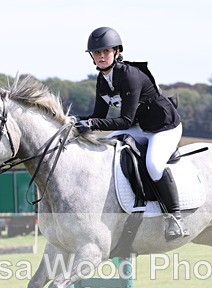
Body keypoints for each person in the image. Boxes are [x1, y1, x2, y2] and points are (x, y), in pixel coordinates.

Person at [75, 26, 188, 241]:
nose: (100, 56)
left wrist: (90, 123)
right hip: (139, 126)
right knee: (105, 147)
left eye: (105, 51)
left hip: (164, 127)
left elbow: (123, 120)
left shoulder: (130, 76)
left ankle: (175, 217)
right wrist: (74, 120)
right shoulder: (102, 80)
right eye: (97, 52)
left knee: (153, 165)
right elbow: (99, 115)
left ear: (116, 52)